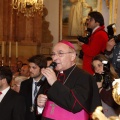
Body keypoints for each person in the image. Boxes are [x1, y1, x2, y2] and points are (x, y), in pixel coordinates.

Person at [37, 40, 101, 120]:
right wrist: (39, 105)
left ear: (72, 56)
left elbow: (75, 105)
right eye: (53, 54)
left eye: (60, 53)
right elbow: (43, 108)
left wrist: (54, 83)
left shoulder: (85, 77)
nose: (55, 58)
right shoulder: (52, 75)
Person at [19, 54, 47, 120]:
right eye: (29, 67)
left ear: (42, 69)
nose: (30, 70)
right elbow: (21, 105)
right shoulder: (24, 84)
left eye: (34, 68)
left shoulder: (49, 85)